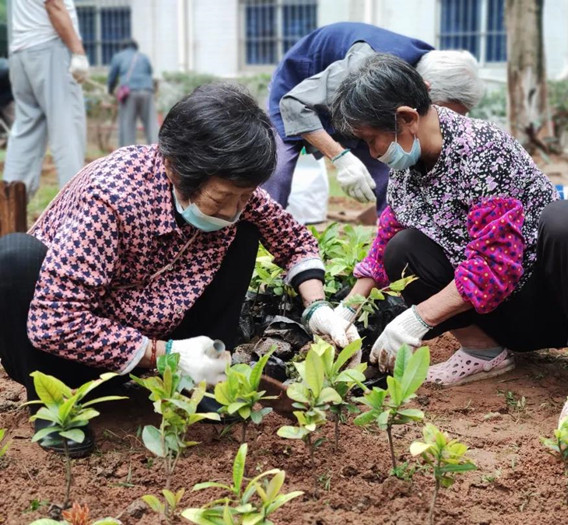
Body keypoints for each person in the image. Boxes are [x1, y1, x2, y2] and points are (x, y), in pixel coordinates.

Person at [0, 82, 359, 458]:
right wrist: (162, 352)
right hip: (71, 350)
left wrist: (318, 307)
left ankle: (201, 379)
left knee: (245, 232)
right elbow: (55, 322)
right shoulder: (110, 197)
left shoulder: (232, 191)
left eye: (244, 196)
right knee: (14, 259)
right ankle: (54, 404)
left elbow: (293, 239)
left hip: (163, 340)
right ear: (173, 168)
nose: (234, 209)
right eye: (222, 199)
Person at [330, 54, 568, 424]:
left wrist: (414, 320)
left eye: (372, 140)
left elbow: (494, 266)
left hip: (553, 302)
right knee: (401, 249)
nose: (373, 153)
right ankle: (484, 353)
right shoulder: (409, 165)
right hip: (501, 316)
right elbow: (388, 231)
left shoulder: (481, 151)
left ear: (406, 119)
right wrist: (347, 308)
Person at [262, 22, 483, 213]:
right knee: (276, 173)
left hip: (362, 104)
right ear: (427, 91)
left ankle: (393, 239)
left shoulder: (436, 68)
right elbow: (294, 104)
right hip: (298, 91)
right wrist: (340, 157)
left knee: (392, 178)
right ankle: (256, 235)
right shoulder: (365, 66)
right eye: (440, 110)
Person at [2, 0, 88, 197]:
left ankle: (9, 211)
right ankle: (76, 210)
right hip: (49, 47)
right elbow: (53, 4)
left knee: (25, 132)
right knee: (67, 131)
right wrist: (78, 52)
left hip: (20, 52)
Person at [107, 39, 159, 147]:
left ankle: (127, 154)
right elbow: (149, 72)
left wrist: (110, 90)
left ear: (123, 47)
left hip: (129, 93)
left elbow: (112, 76)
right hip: (147, 91)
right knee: (151, 123)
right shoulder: (144, 57)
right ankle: (157, 150)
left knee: (128, 125)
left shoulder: (119, 57)